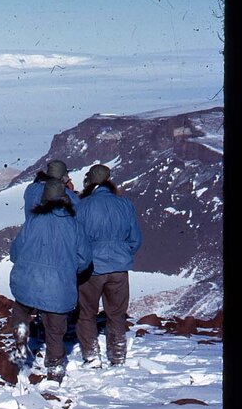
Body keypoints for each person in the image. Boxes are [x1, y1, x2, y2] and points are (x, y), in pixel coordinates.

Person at [8, 179, 92, 382]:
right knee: (55, 330)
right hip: (59, 287)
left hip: (28, 280)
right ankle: (54, 369)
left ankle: (20, 342)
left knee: (21, 310)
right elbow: (84, 259)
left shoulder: (33, 220)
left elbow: (16, 251)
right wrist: (68, 272)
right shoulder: (74, 226)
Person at [75, 164, 142, 367]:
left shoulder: (82, 206)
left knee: (86, 313)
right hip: (119, 267)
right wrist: (122, 254)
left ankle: (92, 357)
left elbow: (76, 239)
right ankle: (118, 356)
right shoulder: (125, 204)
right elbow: (136, 239)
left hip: (91, 268)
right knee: (116, 314)